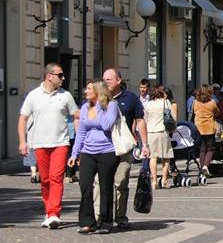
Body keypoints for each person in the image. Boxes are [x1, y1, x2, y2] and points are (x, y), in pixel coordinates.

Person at [18, 63, 80, 229]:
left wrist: (79, 139)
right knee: (45, 180)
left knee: (56, 178)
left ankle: (54, 213)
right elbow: (22, 119)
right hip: (39, 144)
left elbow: (76, 116)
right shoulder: (33, 95)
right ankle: (49, 210)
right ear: (49, 76)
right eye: (60, 75)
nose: (63, 78)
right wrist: (23, 142)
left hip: (61, 143)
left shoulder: (66, 96)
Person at [68, 80, 120, 234]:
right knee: (85, 186)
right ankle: (87, 221)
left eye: (89, 89)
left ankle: (105, 222)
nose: (85, 91)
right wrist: (74, 153)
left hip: (107, 152)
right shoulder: (84, 107)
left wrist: (100, 107)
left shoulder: (111, 106)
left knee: (105, 188)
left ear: (98, 91)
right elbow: (81, 132)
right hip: (88, 152)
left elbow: (106, 125)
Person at [100, 68, 148, 230]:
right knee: (100, 184)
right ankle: (102, 216)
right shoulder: (99, 97)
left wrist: (145, 145)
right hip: (103, 147)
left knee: (121, 181)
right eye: (104, 79)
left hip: (123, 148)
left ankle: (120, 216)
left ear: (118, 81)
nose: (105, 82)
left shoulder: (131, 98)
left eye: (109, 79)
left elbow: (140, 121)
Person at [143, 85, 175, 189]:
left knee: (153, 157)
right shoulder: (166, 103)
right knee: (166, 157)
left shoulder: (148, 104)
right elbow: (172, 117)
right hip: (163, 132)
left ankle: (154, 180)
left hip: (151, 132)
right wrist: (173, 129)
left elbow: (145, 119)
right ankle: (164, 180)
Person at [193, 85, 221, 177]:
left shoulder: (195, 102)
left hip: (198, 128)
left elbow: (193, 112)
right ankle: (205, 166)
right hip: (209, 127)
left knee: (202, 149)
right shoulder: (212, 102)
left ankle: (202, 169)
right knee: (210, 148)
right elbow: (217, 113)